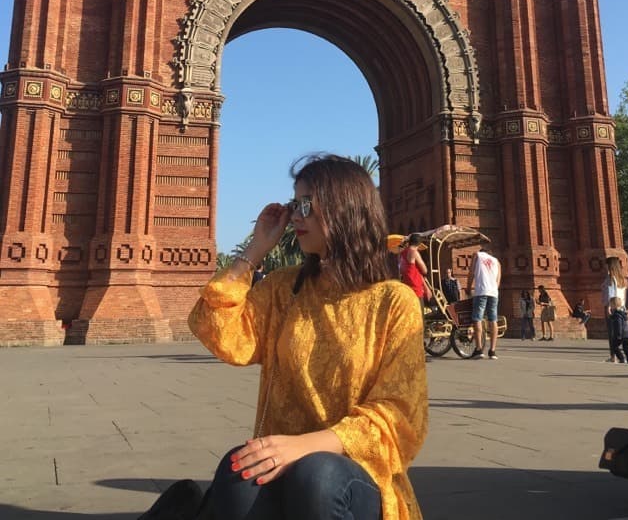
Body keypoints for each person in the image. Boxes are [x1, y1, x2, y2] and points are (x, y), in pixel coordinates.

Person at [139, 154, 427, 520]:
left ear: (345, 207)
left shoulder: (394, 301)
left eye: (305, 204)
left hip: (354, 474)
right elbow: (217, 329)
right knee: (239, 469)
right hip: (283, 462)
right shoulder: (282, 289)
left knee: (318, 475)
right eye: (294, 204)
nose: (294, 216)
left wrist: (303, 447)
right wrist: (254, 251)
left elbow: (399, 415)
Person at [466, 242, 501, 360]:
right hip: (494, 293)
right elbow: (498, 281)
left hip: (481, 291)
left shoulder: (476, 255)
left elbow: (471, 273)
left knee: (477, 318)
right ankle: (492, 351)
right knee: (493, 319)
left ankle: (479, 349)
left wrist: (468, 287)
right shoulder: (497, 261)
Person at [602, 256, 628, 363]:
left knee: (612, 334)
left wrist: (608, 307)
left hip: (612, 307)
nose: (605, 266)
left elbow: (611, 293)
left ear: (610, 265)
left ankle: (615, 357)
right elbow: (624, 294)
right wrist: (624, 306)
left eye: (606, 264)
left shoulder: (610, 277)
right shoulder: (622, 278)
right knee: (624, 333)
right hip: (621, 306)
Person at [399, 233, 429, 314]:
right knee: (419, 317)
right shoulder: (414, 252)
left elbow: (400, 248)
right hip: (416, 289)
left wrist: (403, 243)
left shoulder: (402, 253)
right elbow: (424, 270)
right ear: (419, 244)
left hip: (406, 287)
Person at [609, 296, 628, 364]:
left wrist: (618, 335)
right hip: (626, 334)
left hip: (620, 334)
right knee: (626, 348)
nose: (610, 306)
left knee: (614, 346)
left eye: (611, 305)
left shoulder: (617, 315)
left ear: (614, 305)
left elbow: (618, 325)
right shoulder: (623, 313)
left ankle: (622, 358)